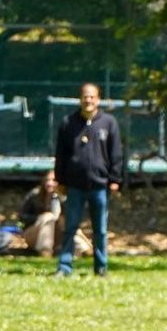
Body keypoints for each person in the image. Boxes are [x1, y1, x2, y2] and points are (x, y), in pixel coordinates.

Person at [54, 82, 122, 277]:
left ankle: (101, 268)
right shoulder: (68, 123)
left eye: (92, 96)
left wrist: (115, 178)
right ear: (80, 99)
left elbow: (116, 153)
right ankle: (64, 267)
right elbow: (61, 155)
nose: (88, 100)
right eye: (85, 96)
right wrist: (61, 180)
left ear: (98, 99)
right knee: (70, 227)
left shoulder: (109, 123)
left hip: (100, 186)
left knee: (100, 230)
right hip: (75, 186)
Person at [18, 169, 61, 257]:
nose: (49, 183)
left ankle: (83, 249)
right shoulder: (34, 195)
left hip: (56, 235)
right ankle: (45, 251)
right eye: (47, 180)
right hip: (33, 233)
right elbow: (22, 216)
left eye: (53, 181)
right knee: (48, 218)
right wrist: (39, 217)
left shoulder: (63, 198)